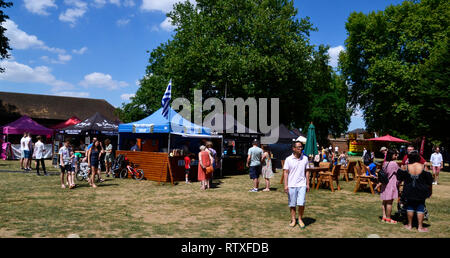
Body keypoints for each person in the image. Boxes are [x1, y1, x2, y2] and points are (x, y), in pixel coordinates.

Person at [397, 150, 433, 232]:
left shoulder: (406, 167)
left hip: (409, 190)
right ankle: (420, 227)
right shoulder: (424, 167)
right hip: (421, 190)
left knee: (410, 206)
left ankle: (409, 225)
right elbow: (429, 180)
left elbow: (399, 177)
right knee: (420, 206)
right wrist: (430, 191)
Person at [283, 141, 310, 228]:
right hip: (291, 185)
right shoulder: (288, 159)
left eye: (301, 147)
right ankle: (294, 219)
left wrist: (307, 184)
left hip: (302, 184)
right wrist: (286, 185)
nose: (300, 148)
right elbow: (286, 173)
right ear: (293, 148)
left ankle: (300, 219)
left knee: (301, 203)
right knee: (292, 204)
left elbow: (307, 172)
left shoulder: (305, 158)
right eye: (298, 147)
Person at [380, 149, 399, 224]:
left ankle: (384, 217)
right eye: (395, 154)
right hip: (391, 184)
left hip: (384, 184)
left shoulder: (385, 163)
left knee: (384, 201)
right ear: (392, 155)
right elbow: (399, 172)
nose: (396, 156)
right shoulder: (393, 164)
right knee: (389, 202)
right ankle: (388, 218)